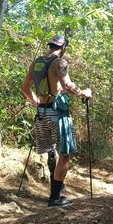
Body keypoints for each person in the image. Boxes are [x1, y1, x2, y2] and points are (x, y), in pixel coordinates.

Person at [22, 35, 92, 207]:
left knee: (51, 150)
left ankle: (57, 189)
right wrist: (85, 92)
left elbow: (25, 89)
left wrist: (37, 102)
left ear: (50, 46)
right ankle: (55, 198)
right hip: (57, 114)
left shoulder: (37, 62)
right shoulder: (59, 62)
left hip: (42, 112)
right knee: (65, 155)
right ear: (63, 47)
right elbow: (67, 85)